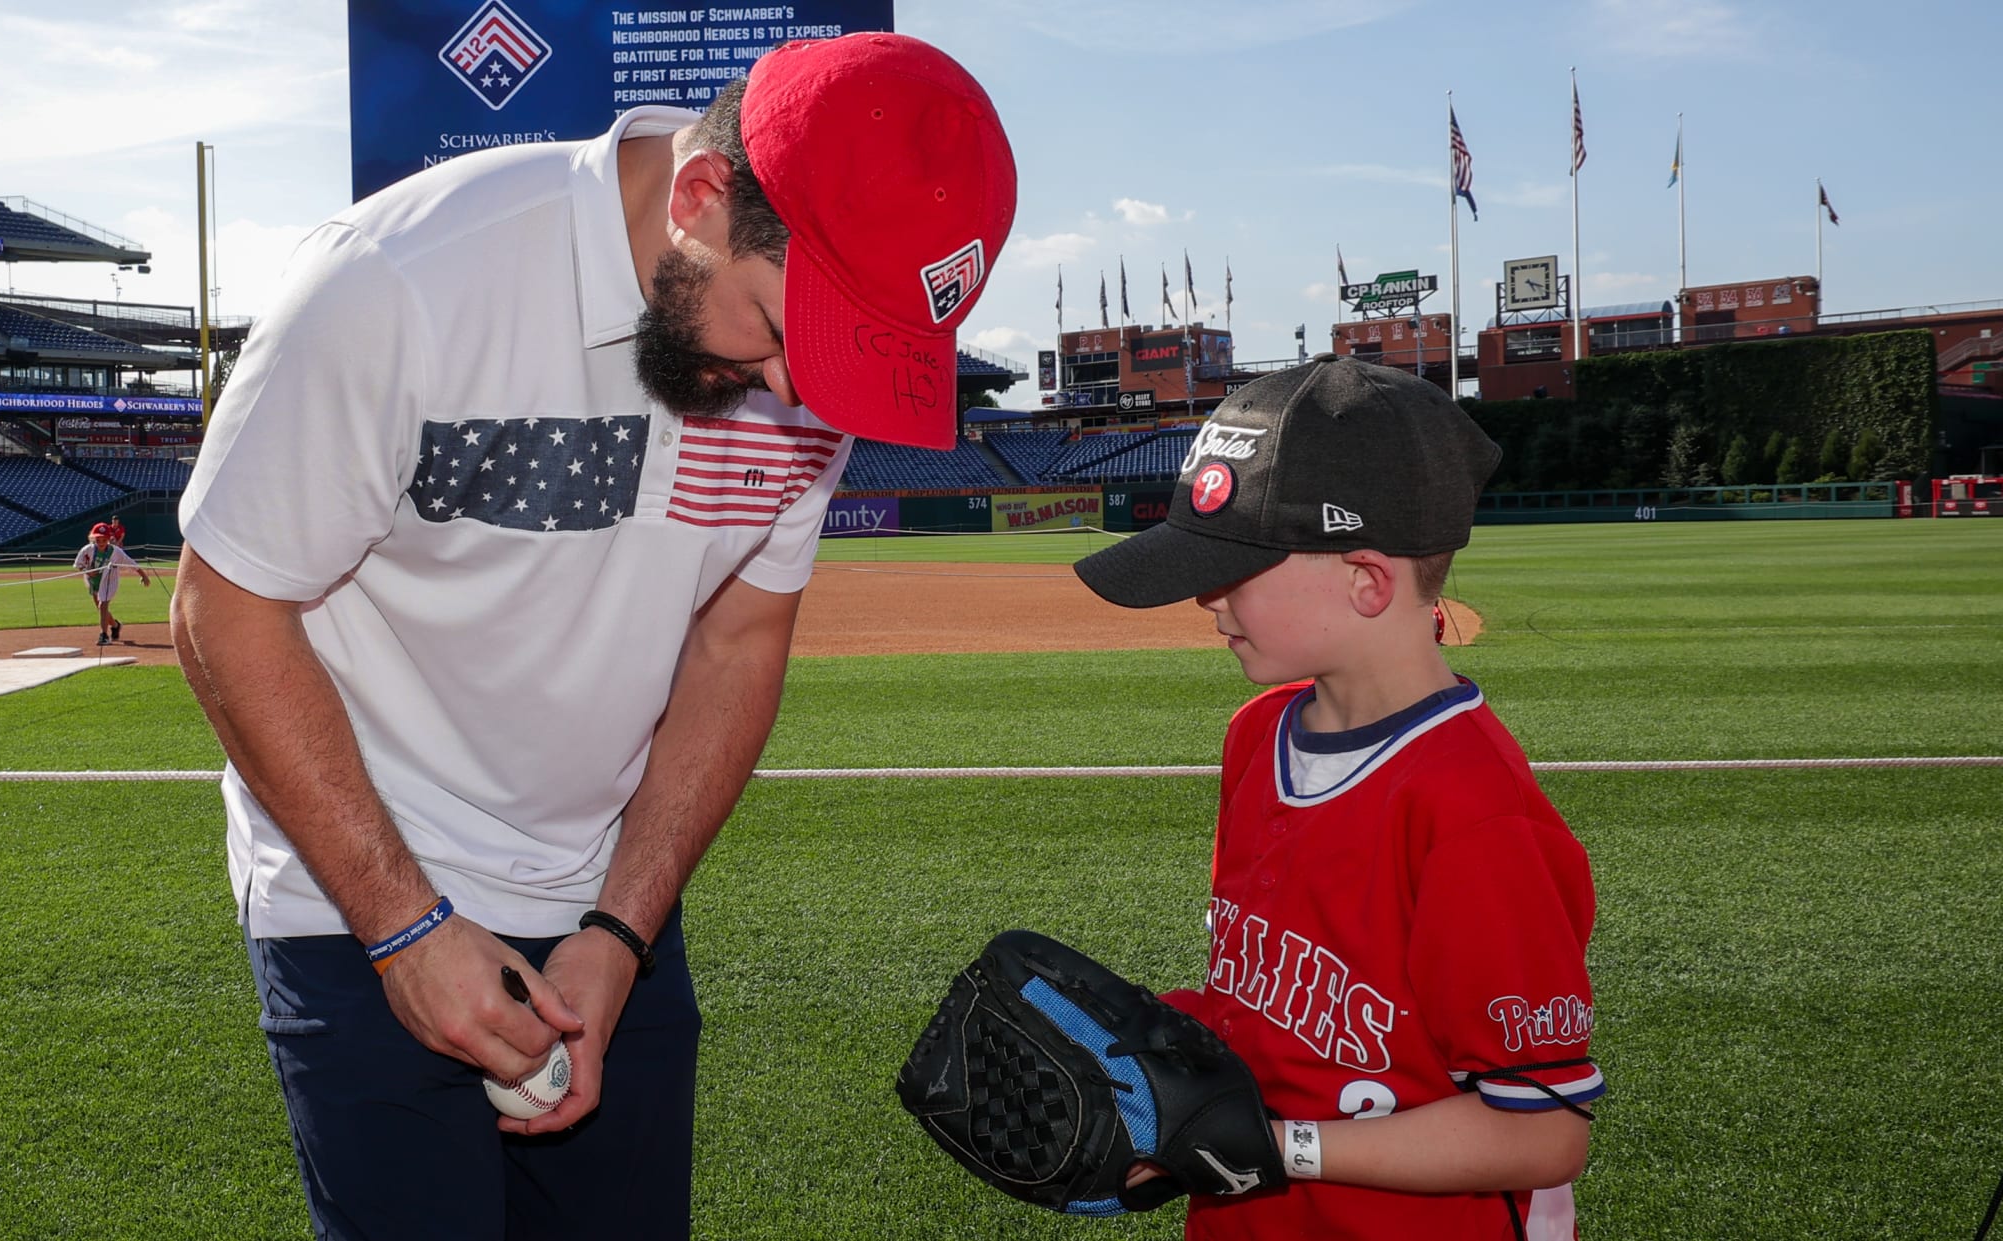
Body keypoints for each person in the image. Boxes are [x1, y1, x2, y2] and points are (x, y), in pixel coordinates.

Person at [170, 32, 1015, 1240]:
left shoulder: (799, 359)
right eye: (782, 332)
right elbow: (224, 606)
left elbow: (737, 642)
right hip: (360, 889)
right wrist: (405, 926)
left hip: (607, 898)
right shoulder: (399, 280)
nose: (798, 392)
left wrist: (619, 932)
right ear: (700, 196)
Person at [1073, 356, 1604, 1241]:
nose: (1206, 597)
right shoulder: (1257, 734)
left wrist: (1279, 1147)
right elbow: (1266, 999)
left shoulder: (1472, 812)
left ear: (1367, 579)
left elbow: (1542, 1133)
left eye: (1234, 567)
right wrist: (1163, 1062)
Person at [74, 522, 150, 645]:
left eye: (104, 539)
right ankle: (115, 625)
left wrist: (143, 575)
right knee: (100, 607)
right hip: (93, 580)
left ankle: (103, 635)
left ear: (109, 539)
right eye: (98, 539)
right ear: (93, 539)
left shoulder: (116, 551)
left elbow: (130, 562)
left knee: (103, 605)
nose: (101, 542)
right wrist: (87, 571)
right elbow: (79, 564)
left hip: (109, 580)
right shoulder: (87, 549)